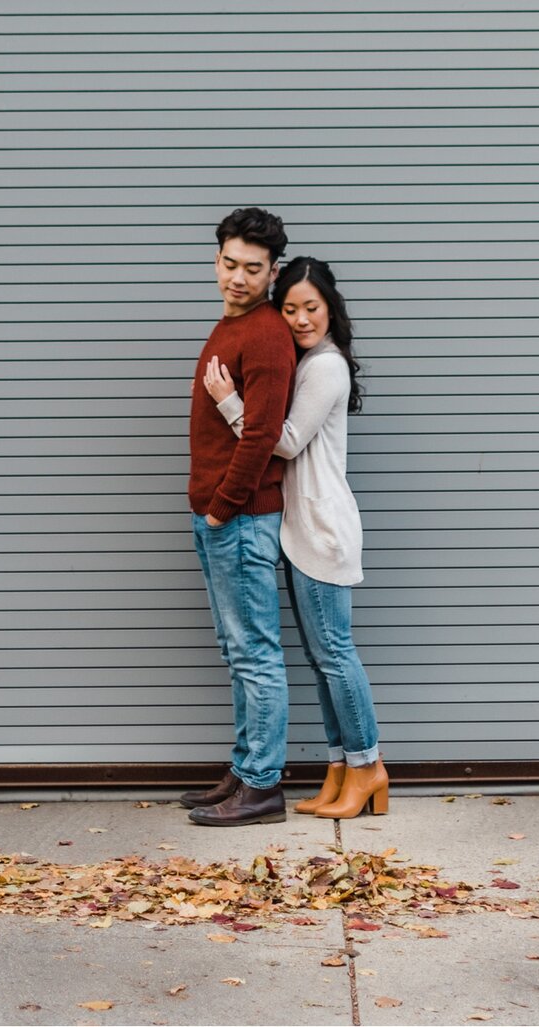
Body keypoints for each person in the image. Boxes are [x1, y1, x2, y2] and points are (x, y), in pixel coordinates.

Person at [205, 256, 386, 819]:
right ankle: (340, 771)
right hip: (305, 527)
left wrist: (229, 402)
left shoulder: (326, 367)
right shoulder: (309, 362)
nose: (302, 318)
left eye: (313, 307)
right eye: (291, 309)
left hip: (323, 527)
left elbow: (282, 442)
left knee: (334, 652)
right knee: (320, 654)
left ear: (331, 309)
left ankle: (367, 767)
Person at [178, 206, 298, 827]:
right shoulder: (229, 324)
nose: (238, 278)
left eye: (253, 269)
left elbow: (262, 436)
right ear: (216, 261)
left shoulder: (267, 332)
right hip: (218, 515)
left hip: (242, 519)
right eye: (230, 264)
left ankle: (262, 786)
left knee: (255, 652)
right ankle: (244, 768)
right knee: (238, 650)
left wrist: (224, 507)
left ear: (272, 271)